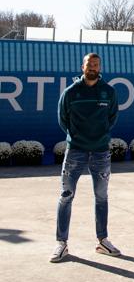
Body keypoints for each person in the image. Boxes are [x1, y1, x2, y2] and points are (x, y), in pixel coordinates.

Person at [50, 52, 120, 262]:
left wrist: (100, 136)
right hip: (76, 151)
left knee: (101, 196)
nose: (92, 68)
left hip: (101, 152)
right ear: (83, 67)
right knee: (66, 196)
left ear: (100, 68)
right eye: (89, 64)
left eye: (96, 65)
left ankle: (102, 241)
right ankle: (61, 243)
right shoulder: (71, 92)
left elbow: (112, 118)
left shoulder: (109, 92)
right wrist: (77, 136)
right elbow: (63, 119)